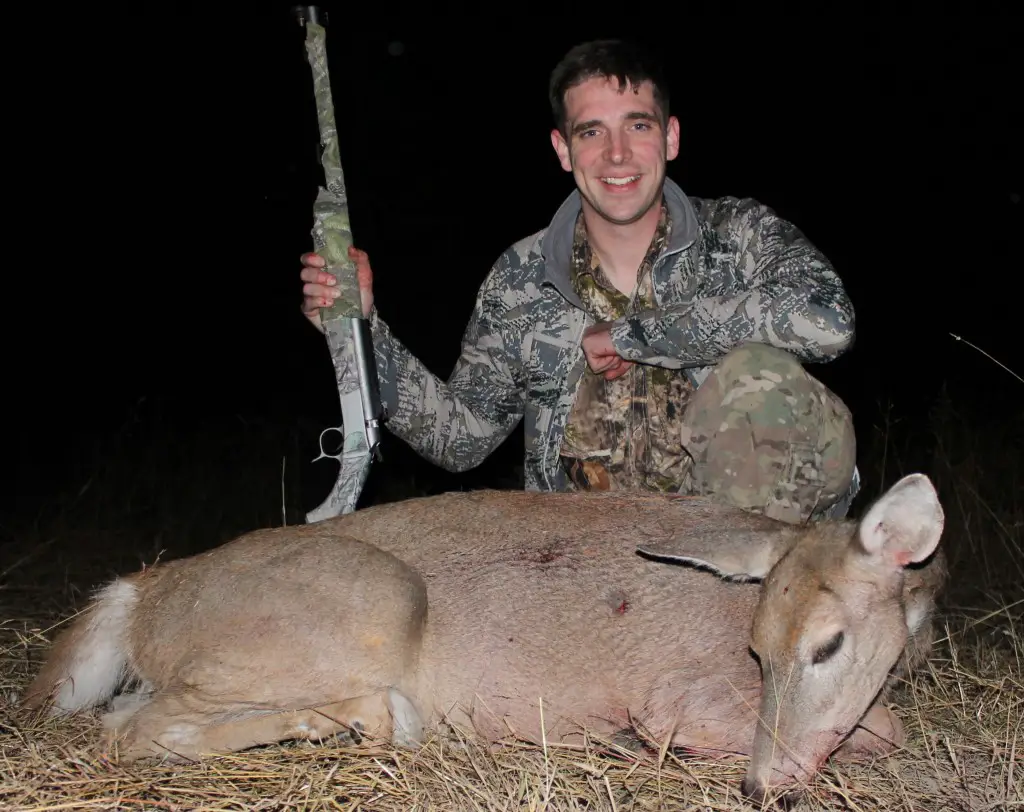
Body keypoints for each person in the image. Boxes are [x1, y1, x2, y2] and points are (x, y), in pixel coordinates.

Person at [299, 39, 860, 524]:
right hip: (581, 575)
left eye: (637, 126)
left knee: (759, 378)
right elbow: (459, 438)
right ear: (563, 150)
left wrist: (631, 336)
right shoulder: (519, 279)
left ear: (670, 137)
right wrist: (361, 326)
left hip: (729, 555)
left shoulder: (740, 236)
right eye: (592, 132)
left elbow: (827, 322)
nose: (617, 154)